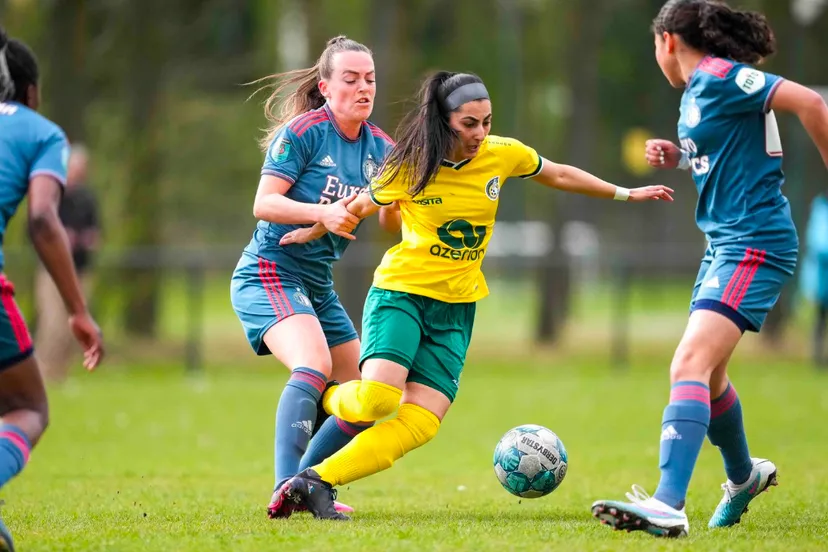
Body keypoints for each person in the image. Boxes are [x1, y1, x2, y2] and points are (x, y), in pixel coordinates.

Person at [273, 70, 673, 520]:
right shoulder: (407, 166)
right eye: (469, 124)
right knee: (378, 401)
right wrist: (312, 226)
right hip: (401, 294)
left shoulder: (503, 154)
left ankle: (315, 480)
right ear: (443, 122)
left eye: (486, 121)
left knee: (422, 422)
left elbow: (558, 173)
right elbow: (358, 207)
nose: (481, 133)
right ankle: (328, 396)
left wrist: (626, 193)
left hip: (458, 308)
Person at [590, 0, 828, 538]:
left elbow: (811, 102)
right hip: (725, 245)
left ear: (667, 41)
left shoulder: (720, 75)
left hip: (753, 243)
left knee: (688, 363)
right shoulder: (701, 91)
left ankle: (668, 503)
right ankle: (744, 477)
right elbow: (734, 151)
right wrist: (679, 156)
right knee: (711, 374)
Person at [229, 35, 398, 519]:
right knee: (313, 364)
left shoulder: (382, 148)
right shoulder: (303, 132)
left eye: (369, 79)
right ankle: (286, 483)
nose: (363, 88)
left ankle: (308, 484)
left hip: (316, 284)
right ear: (325, 87)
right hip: (269, 271)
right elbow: (264, 204)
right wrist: (321, 214)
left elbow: (389, 218)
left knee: (364, 396)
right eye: (350, 79)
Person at [0, 28, 104, 550]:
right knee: (26, 408)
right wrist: (79, 311)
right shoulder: (40, 132)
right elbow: (43, 218)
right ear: (30, 91)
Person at [35, 144, 101, 383]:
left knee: (74, 327)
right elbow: (37, 227)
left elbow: (96, 231)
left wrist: (87, 239)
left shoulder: (87, 198)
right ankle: (44, 373)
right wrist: (62, 237)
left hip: (80, 269)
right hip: (53, 271)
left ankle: (63, 374)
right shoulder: (52, 194)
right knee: (53, 324)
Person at [801, 192, 828, 367]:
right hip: (823, 278)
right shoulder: (821, 210)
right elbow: (820, 245)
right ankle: (818, 357)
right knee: (821, 317)